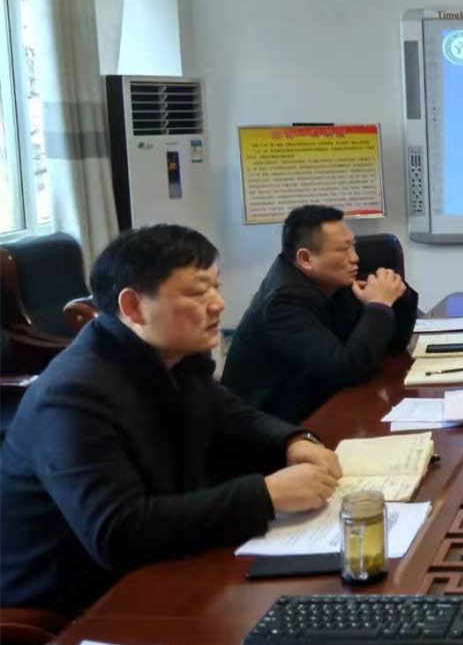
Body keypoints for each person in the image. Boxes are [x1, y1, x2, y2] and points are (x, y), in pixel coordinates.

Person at [0, 225, 342, 617]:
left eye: (215, 287)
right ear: (133, 307)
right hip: (74, 607)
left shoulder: (173, 357)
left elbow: (233, 417)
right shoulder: (72, 396)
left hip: (158, 569)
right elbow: (118, 532)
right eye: (198, 293)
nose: (218, 304)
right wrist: (266, 496)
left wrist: (293, 442)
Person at [223, 205, 419, 423]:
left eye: (353, 246)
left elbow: (394, 344)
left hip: (318, 404)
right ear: (306, 259)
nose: (355, 258)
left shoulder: (330, 279)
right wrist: (379, 305)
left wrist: (397, 294)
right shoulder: (284, 303)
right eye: (343, 250)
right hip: (271, 425)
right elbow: (345, 371)